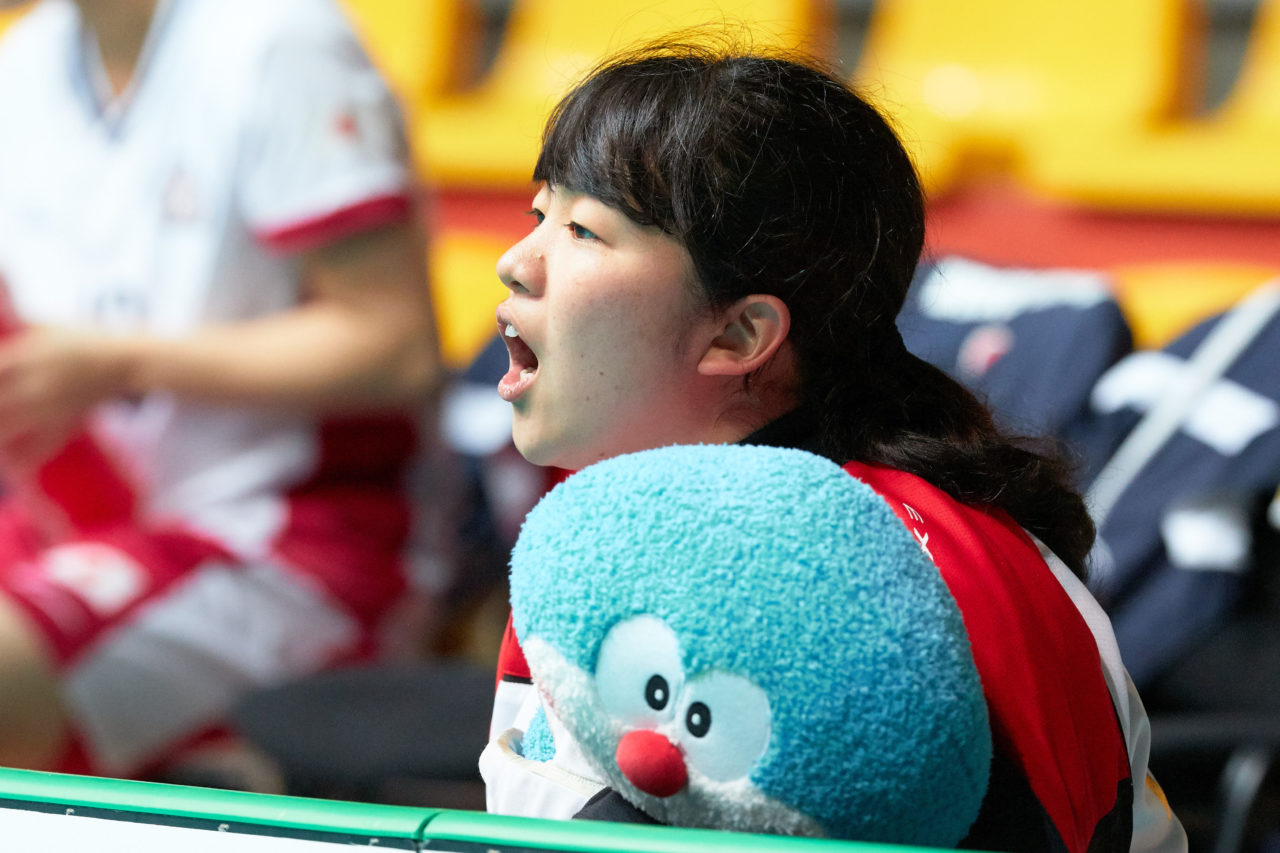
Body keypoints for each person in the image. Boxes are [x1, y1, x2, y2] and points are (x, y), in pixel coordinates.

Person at [480, 41, 1187, 853]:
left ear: (740, 334)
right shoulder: (926, 519)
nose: (514, 263)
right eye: (538, 215)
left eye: (582, 230)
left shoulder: (773, 581)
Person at [0, 0, 442, 778]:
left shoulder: (281, 40)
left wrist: (122, 363)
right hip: (80, 517)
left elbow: (397, 346)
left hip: (293, 541)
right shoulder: (25, 60)